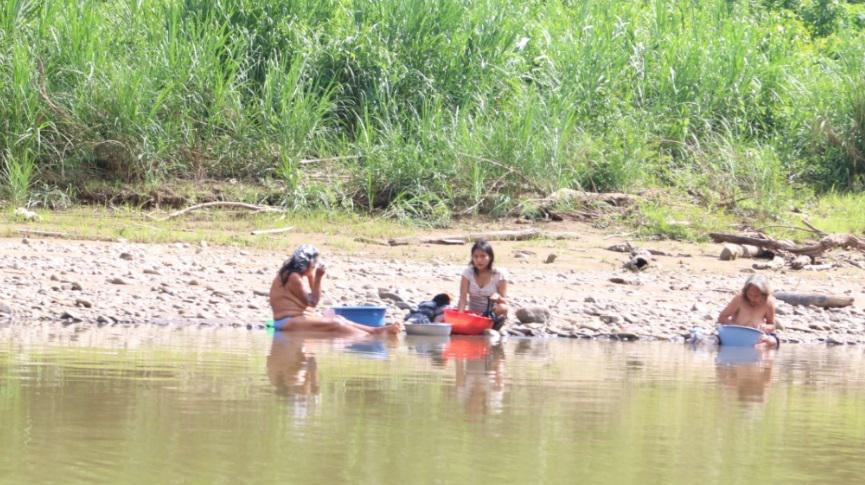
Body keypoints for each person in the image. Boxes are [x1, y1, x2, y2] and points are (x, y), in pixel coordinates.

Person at [269, 245, 401, 336]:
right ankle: (371, 338)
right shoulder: (293, 278)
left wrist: (311, 275)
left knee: (339, 318)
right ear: (309, 263)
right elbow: (313, 302)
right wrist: (318, 277)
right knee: (336, 323)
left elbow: (312, 295)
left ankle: (375, 331)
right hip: (286, 322)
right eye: (314, 264)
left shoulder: (291, 273)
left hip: (294, 319)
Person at [457, 240, 509, 330]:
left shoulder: (499, 274)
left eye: (483, 256)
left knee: (503, 308)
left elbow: (504, 301)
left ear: (490, 257)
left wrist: (498, 298)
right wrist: (460, 317)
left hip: (491, 313)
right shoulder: (468, 273)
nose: (479, 260)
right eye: (475, 257)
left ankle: (493, 325)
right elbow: (462, 298)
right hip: (473, 313)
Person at [717, 274, 779, 348]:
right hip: (736, 333)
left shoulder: (768, 302)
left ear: (764, 294)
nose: (752, 299)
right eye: (750, 295)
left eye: (756, 296)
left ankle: (757, 351)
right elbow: (722, 317)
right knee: (715, 339)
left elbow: (771, 324)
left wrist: (766, 327)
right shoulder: (740, 299)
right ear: (746, 292)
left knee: (772, 342)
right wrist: (736, 327)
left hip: (756, 335)